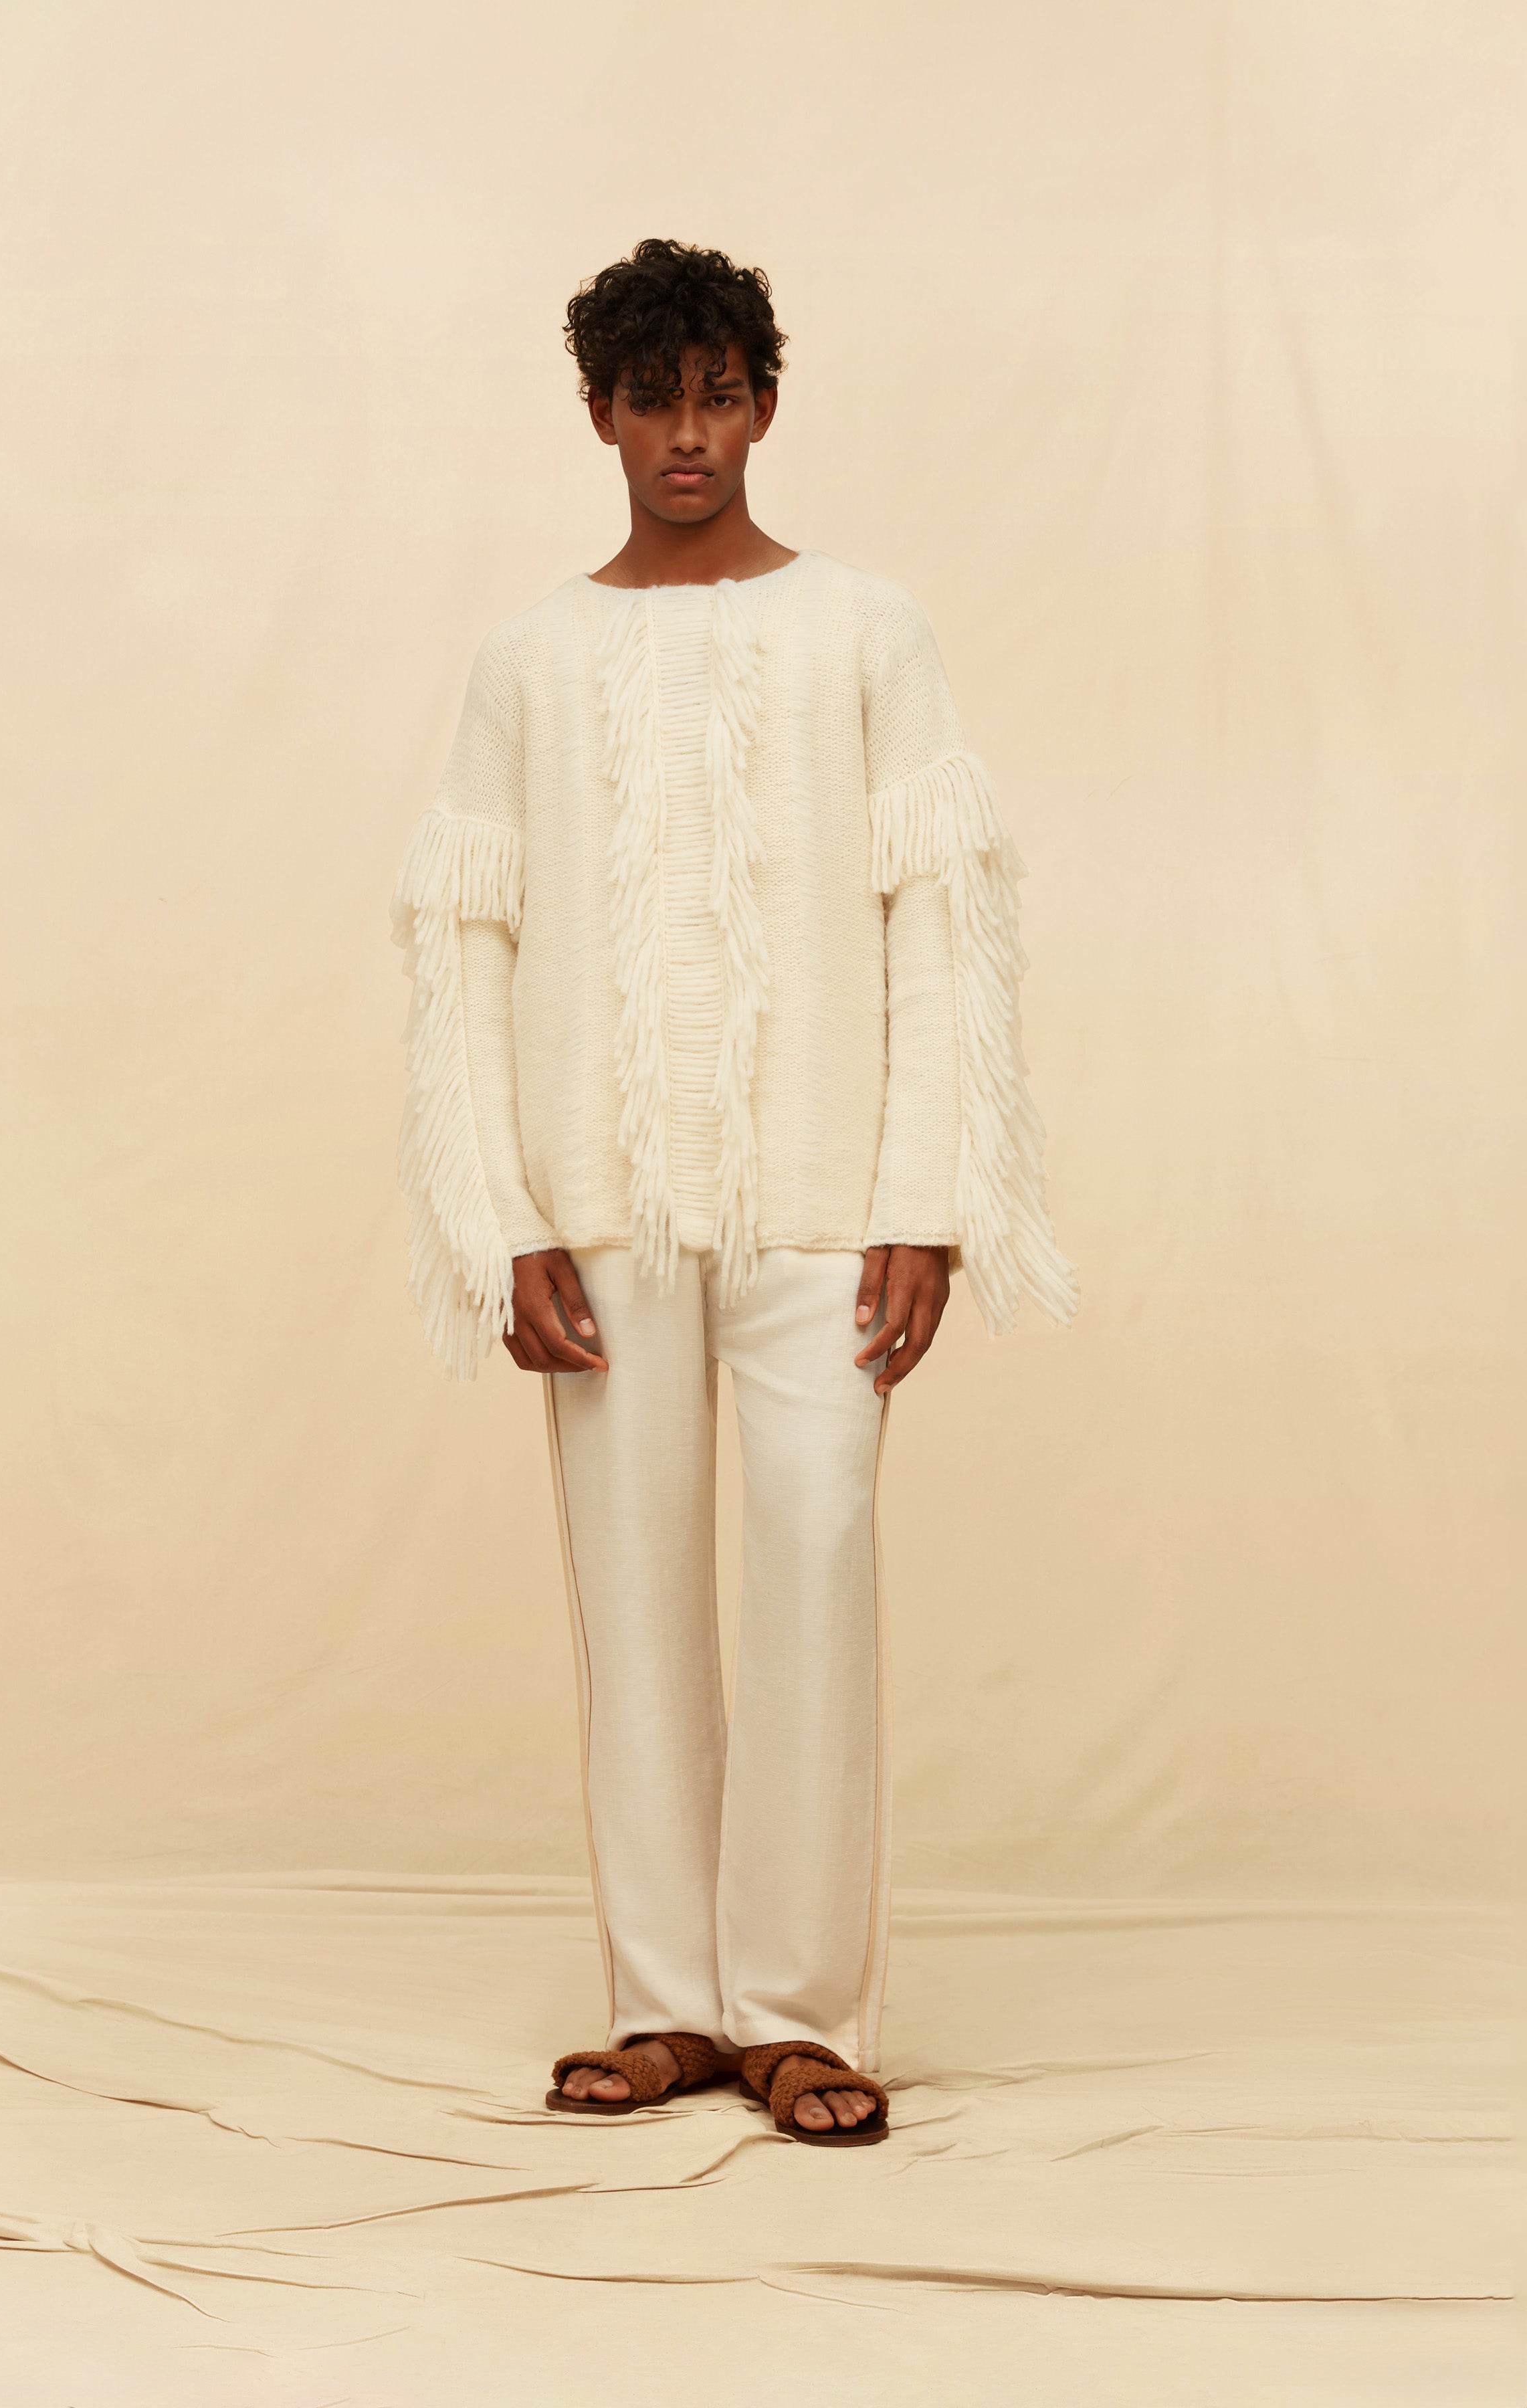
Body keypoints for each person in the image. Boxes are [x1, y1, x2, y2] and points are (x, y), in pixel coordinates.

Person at [391, 237, 1076, 2146]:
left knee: (816, 1565)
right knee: (631, 1595)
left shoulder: (868, 631)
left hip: (822, 1193)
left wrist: (926, 1194)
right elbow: (464, 939)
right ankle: (667, 2009)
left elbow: (939, 917)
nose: (686, 433)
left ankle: (795, 2014)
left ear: (765, 404)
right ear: (599, 415)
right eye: (651, 399)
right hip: (600, 1200)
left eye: (718, 394)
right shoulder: (528, 661)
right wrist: (499, 1216)